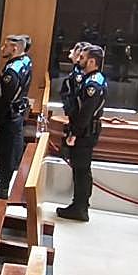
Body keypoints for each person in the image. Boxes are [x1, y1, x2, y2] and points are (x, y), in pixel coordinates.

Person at [0, 34, 33, 204]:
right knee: (9, 151)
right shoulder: (26, 62)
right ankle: (3, 186)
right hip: (16, 115)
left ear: (15, 48)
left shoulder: (12, 70)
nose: (3, 48)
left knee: (5, 153)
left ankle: (2, 189)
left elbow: (5, 99)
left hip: (8, 118)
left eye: (6, 46)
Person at [57, 46, 107, 222]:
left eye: (83, 58)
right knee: (80, 170)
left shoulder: (93, 83)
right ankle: (78, 204)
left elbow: (85, 112)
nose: (79, 60)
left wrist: (74, 133)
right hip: (84, 131)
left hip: (85, 133)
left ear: (92, 61)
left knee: (82, 170)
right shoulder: (91, 79)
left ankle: (80, 207)